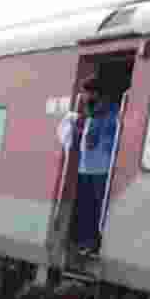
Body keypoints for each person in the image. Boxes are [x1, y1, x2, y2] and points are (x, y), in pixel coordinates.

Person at [59, 79, 120, 254]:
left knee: (98, 208)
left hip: (102, 168)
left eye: (86, 93)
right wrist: (74, 128)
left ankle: (96, 243)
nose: (83, 97)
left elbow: (109, 135)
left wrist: (94, 131)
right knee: (85, 207)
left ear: (95, 93)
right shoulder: (88, 112)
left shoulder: (111, 111)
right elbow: (86, 136)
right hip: (85, 167)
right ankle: (84, 242)